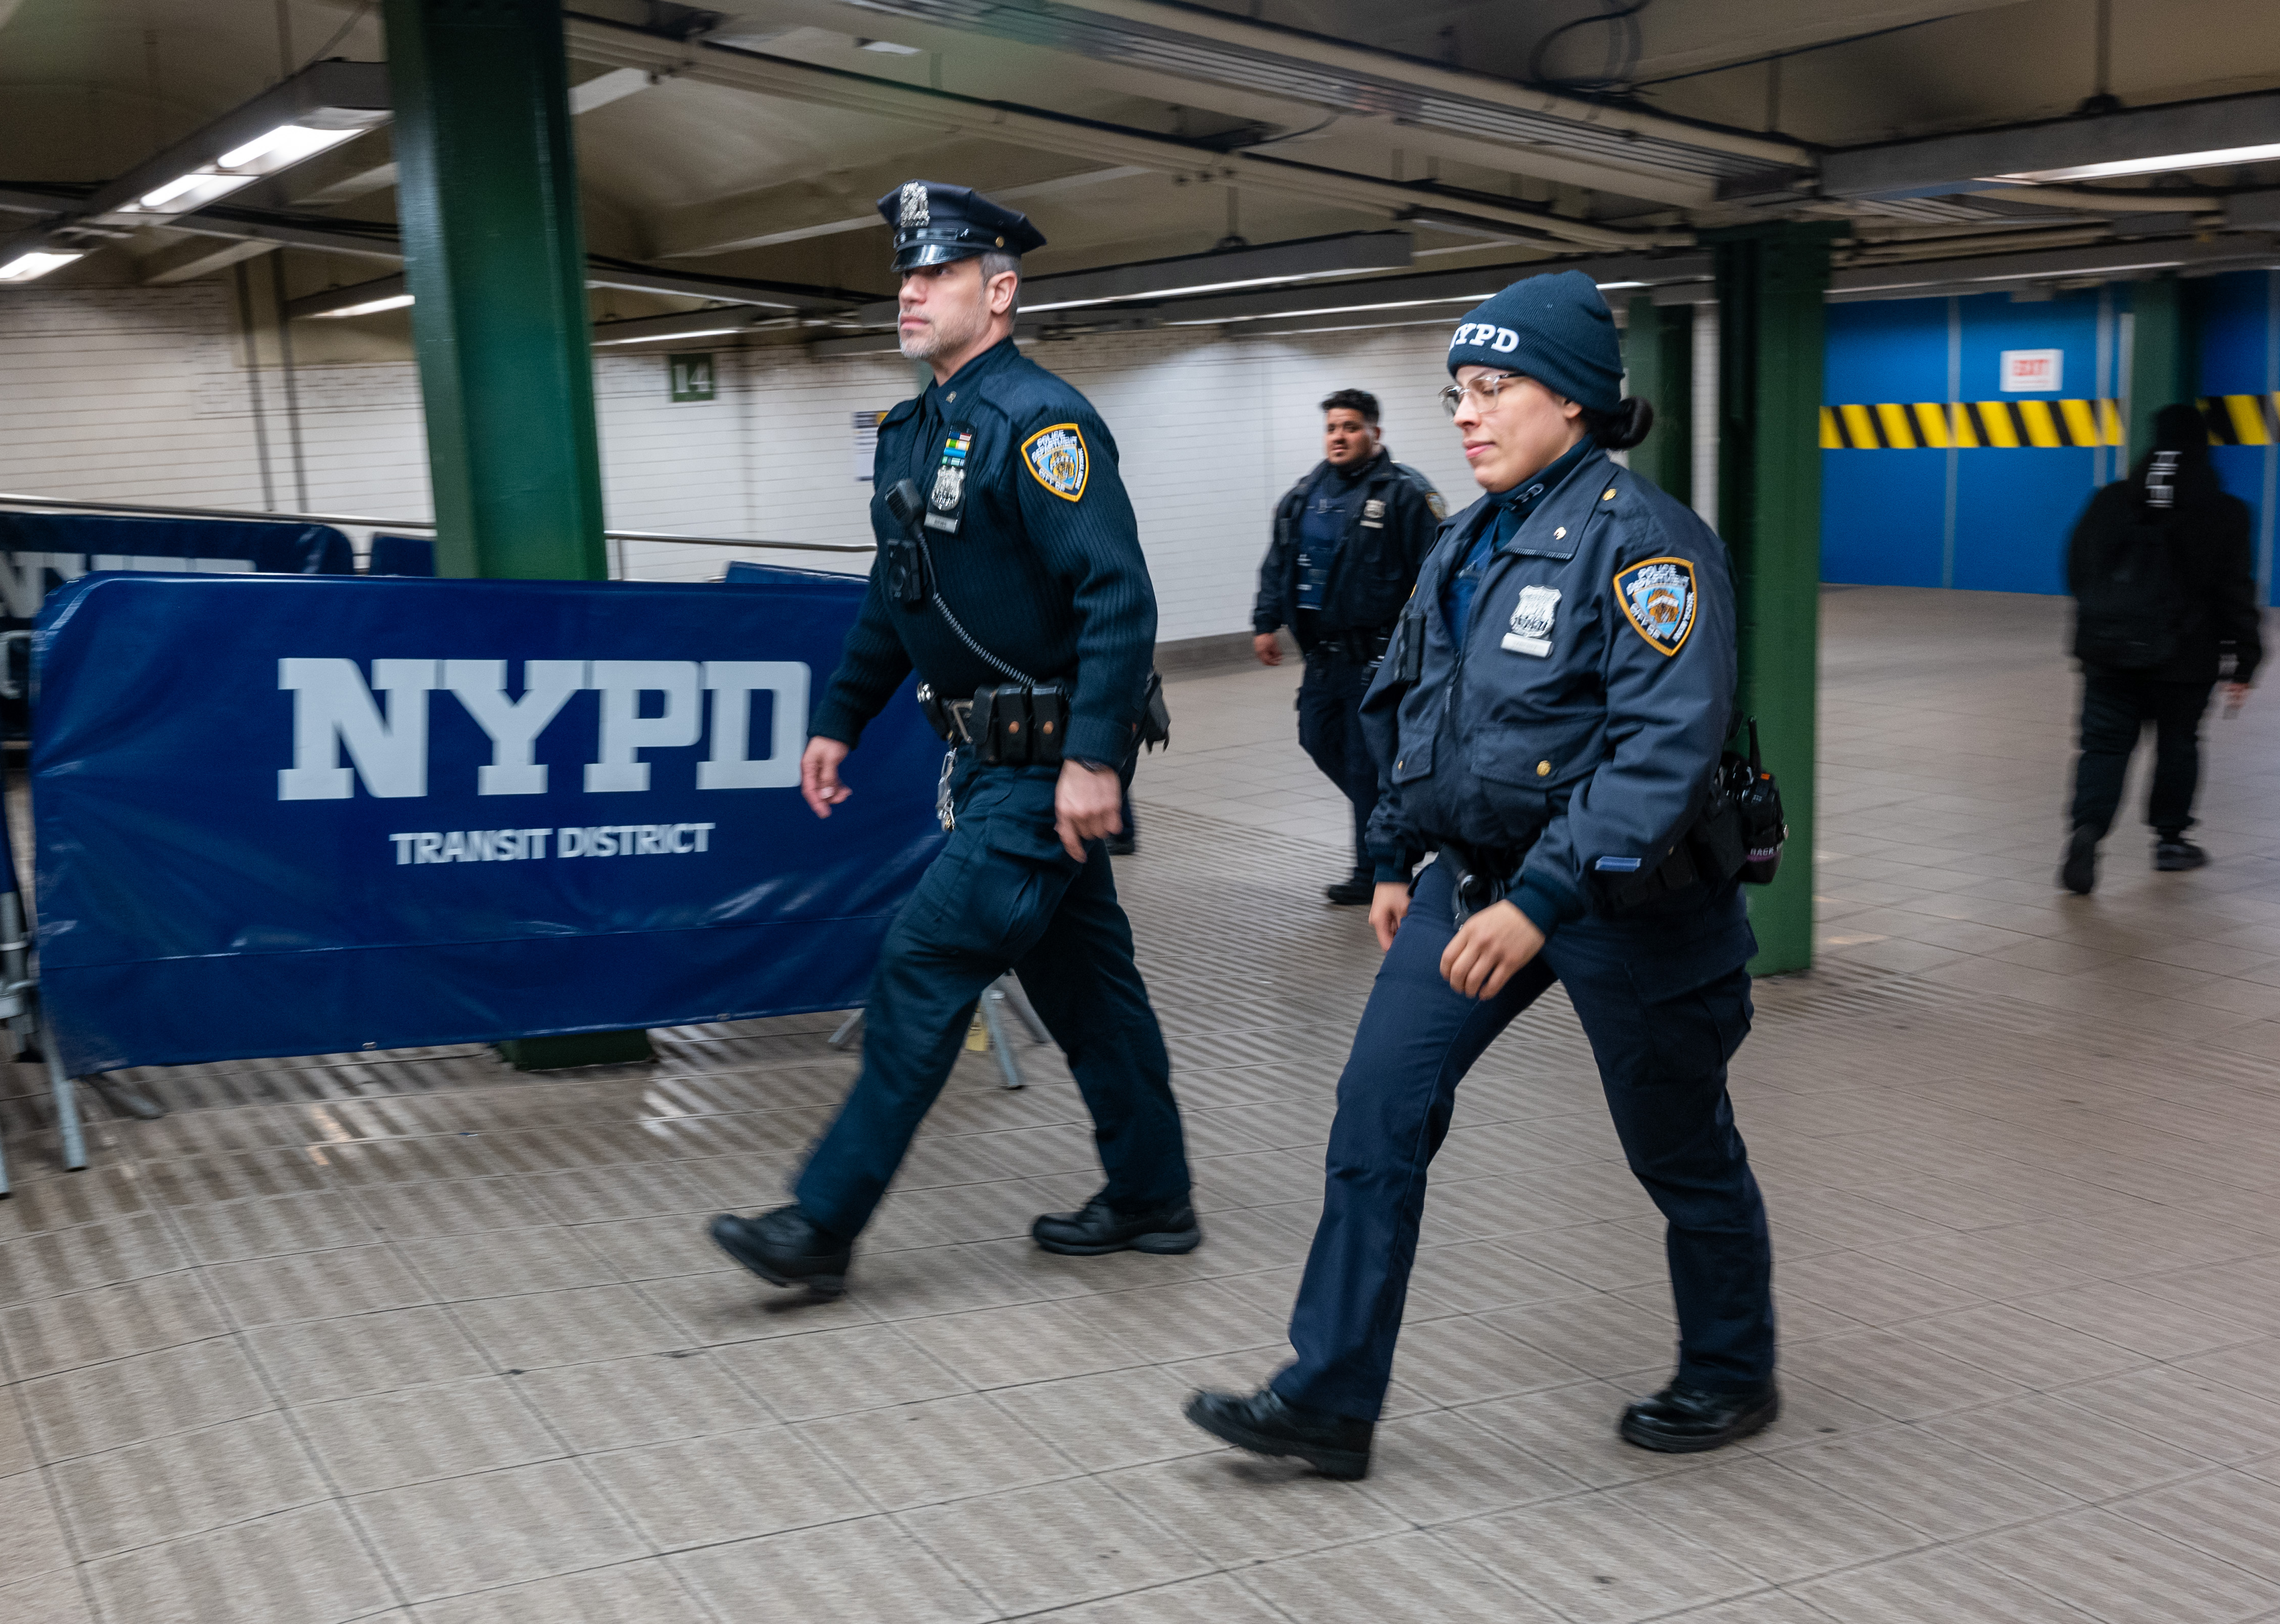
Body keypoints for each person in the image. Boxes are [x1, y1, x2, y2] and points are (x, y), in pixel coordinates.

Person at [1184, 271, 1777, 1479]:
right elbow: (1418, 707)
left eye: (1494, 387)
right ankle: (1328, 1399)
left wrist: (1541, 901)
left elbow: (1662, 753)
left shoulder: (1649, 547)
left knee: (1678, 1144)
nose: (1467, 411)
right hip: (1474, 881)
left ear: (1573, 400)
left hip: (1624, 902)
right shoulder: (1467, 538)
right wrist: (1399, 847)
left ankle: (1729, 1367)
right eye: (1458, 390)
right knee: (1378, 1107)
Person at [710, 181, 1196, 1295]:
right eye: (906, 274)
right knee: (1091, 996)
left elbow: (1116, 599)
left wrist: (1089, 759)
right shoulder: (912, 431)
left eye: (936, 274)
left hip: (1043, 766)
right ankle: (1152, 1195)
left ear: (1002, 290)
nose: (910, 291)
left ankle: (821, 1224)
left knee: (924, 958)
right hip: (989, 762)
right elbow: (897, 596)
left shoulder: (1043, 423)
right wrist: (840, 718)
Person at [1253, 390, 1446, 904]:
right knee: (1317, 739)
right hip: (1323, 657)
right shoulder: (1304, 495)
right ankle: (1398, 818)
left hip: (1378, 657)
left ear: (1374, 434)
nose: (1339, 436)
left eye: (1351, 427)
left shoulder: (1405, 494)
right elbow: (1280, 562)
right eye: (1332, 427)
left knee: (1366, 764)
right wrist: (1265, 620)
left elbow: (1435, 571)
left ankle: (1373, 870)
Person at [2060, 403, 2262, 894]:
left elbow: (2075, 569)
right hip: (2185, 658)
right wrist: (2245, 659)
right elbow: (2235, 592)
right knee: (2177, 745)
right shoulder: (2224, 512)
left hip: (2107, 653)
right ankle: (2170, 841)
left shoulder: (2108, 500)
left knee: (2103, 747)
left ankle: (2086, 832)